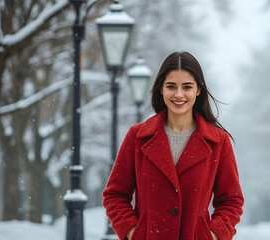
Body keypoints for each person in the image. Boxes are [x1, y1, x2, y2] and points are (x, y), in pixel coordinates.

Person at [103, 51, 244, 240]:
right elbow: (115, 194)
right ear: (161, 89)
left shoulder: (218, 141)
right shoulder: (137, 137)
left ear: (198, 90)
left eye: (187, 87)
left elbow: (231, 200)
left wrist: (213, 235)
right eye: (171, 86)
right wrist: (133, 233)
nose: (179, 94)